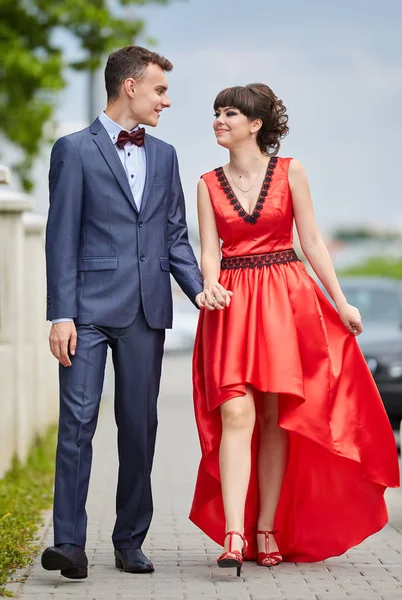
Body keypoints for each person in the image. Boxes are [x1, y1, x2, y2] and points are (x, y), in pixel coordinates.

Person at [190, 83, 400, 576]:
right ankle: (234, 534)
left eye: (229, 113)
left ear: (255, 124)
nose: (219, 120)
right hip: (233, 304)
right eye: (216, 113)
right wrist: (208, 284)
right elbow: (208, 251)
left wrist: (341, 302)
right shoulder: (205, 183)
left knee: (272, 418)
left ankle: (266, 528)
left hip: (286, 299)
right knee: (235, 415)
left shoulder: (291, 172)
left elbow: (312, 241)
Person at [42, 45, 203, 579]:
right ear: (129, 86)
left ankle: (130, 538)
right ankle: (68, 544)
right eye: (159, 89)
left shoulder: (166, 156)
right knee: (78, 424)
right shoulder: (73, 149)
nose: (167, 100)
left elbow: (175, 235)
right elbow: (60, 236)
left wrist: (200, 291)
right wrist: (60, 313)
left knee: (139, 427)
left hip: (145, 309)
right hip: (85, 310)